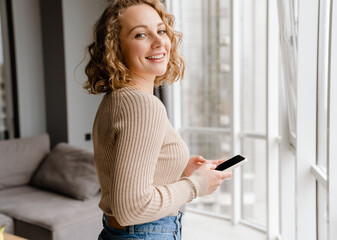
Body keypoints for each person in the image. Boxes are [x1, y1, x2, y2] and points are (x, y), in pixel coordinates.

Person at [84, 0, 232, 239]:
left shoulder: (116, 99)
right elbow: (131, 208)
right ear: (116, 48)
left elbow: (127, 179)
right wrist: (196, 185)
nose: (159, 41)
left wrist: (180, 171)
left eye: (161, 31)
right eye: (141, 34)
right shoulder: (142, 105)